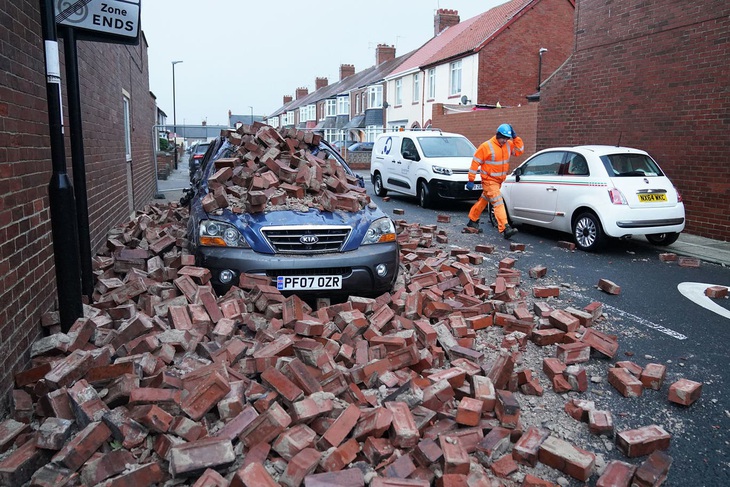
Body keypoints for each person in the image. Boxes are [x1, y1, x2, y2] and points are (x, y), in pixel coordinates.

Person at [465, 123, 524, 239]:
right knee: (498, 202)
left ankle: (472, 219)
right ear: (497, 135)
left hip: (499, 181)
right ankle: (505, 228)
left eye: (507, 138)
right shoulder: (486, 146)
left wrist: (516, 138)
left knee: (483, 200)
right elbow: (475, 162)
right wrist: (471, 179)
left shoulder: (508, 145)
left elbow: (519, 151)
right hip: (489, 181)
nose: (504, 141)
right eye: (503, 138)